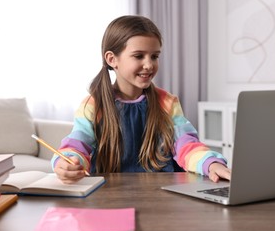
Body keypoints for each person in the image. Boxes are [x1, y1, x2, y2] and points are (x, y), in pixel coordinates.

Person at [51, 15, 231, 184]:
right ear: (112, 59)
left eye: (154, 56)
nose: (149, 64)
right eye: (139, 56)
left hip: (162, 195)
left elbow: (187, 145)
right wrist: (66, 161)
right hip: (109, 194)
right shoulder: (92, 105)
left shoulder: (167, 102)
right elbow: (77, 144)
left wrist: (211, 164)